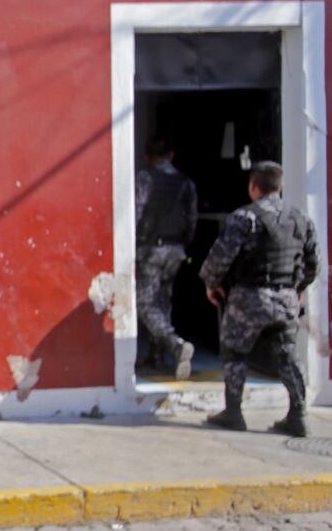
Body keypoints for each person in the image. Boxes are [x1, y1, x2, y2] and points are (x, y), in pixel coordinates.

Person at [200, 161, 317, 437]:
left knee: (235, 352)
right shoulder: (299, 218)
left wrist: (211, 283)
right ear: (280, 186)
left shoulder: (245, 217)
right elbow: (314, 261)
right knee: (288, 355)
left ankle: (233, 412)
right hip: (287, 298)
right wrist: (299, 288)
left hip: (249, 298)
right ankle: (298, 415)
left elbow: (220, 257)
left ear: (253, 186)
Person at [135, 138, 197, 379]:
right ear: (171, 154)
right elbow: (191, 219)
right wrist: (184, 244)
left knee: (145, 303)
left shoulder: (145, 178)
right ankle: (157, 357)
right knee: (162, 302)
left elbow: (137, 212)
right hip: (175, 249)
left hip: (151, 249)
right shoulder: (186, 183)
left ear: (147, 156)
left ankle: (174, 345)